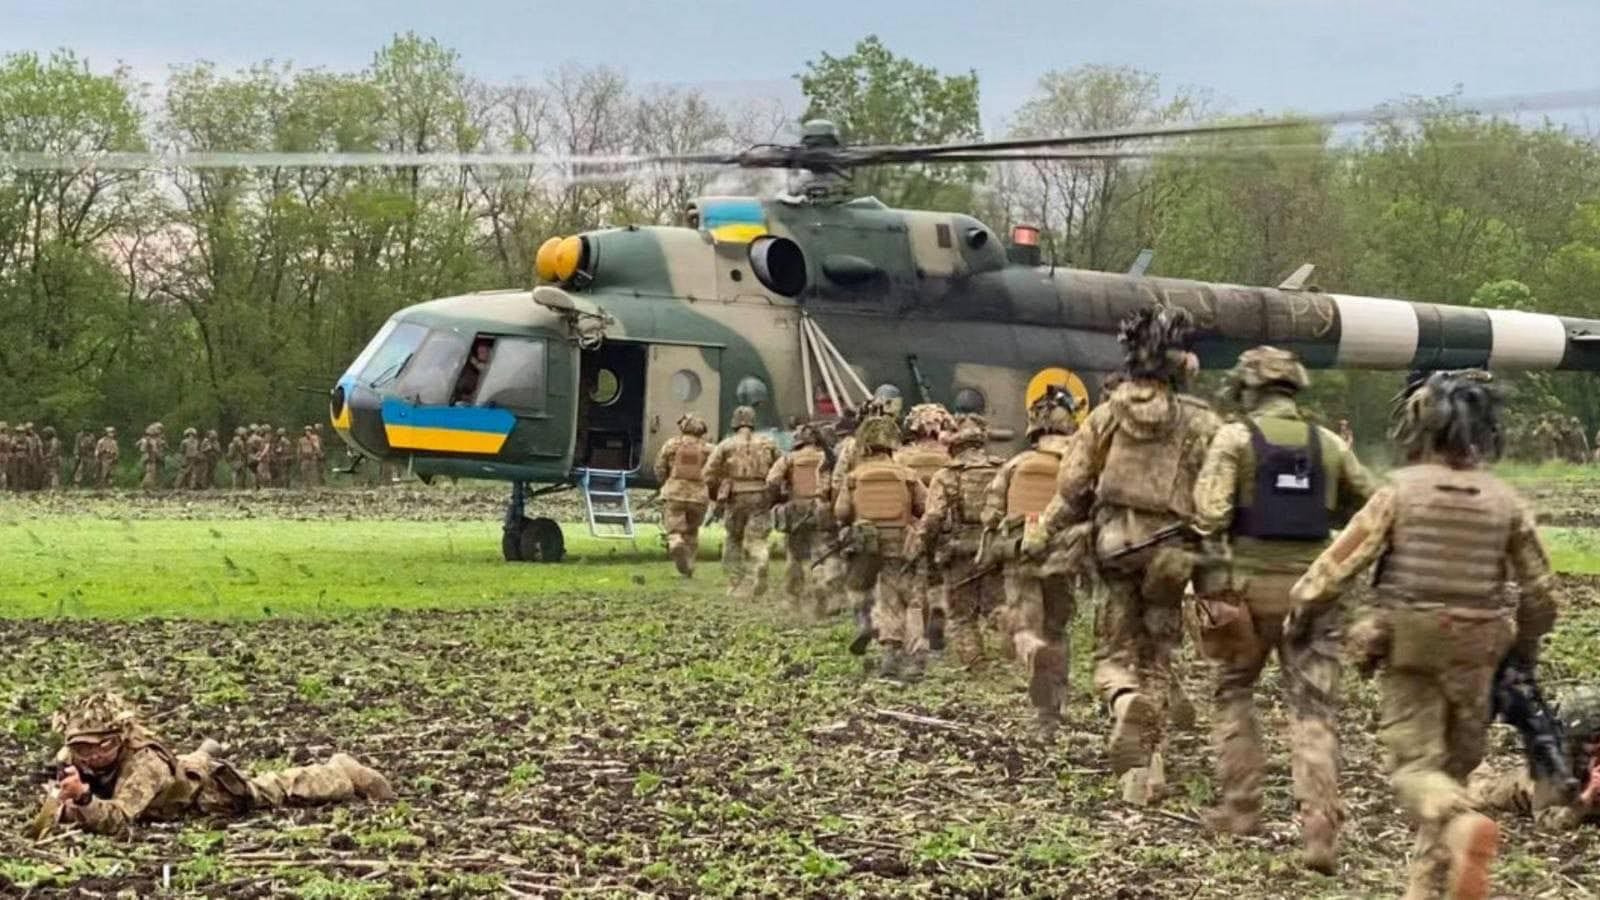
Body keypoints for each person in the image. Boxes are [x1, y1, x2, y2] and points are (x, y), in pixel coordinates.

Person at [1289, 369, 1555, 900]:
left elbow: (1339, 564)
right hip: (1482, 649)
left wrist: (1302, 608)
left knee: (1416, 769)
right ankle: (1429, 885)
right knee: (1453, 771)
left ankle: (1459, 827)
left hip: (1413, 642)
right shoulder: (1505, 502)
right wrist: (1519, 651)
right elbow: (1542, 593)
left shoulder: (1400, 493)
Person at [1190, 346, 1379, 872]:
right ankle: (1319, 827)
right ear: (1295, 389)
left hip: (1246, 594)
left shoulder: (1233, 439)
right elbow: (1371, 509)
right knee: (1313, 710)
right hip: (1316, 593)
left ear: (1248, 388)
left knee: (1233, 692)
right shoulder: (1330, 444)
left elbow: (1209, 516)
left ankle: (1241, 808)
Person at [1031, 306, 1220, 804]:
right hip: (1174, 556)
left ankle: (1124, 700)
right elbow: (1221, 497)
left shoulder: (1106, 416)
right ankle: (1147, 770)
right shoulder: (1203, 422)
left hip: (1116, 548)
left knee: (1114, 653)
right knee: (1157, 654)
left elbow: (1071, 487)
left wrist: (1042, 535)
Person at [37, 691, 394, 837]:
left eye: (104, 746)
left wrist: (83, 800)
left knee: (270, 790)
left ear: (121, 738)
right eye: (82, 749)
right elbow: (49, 810)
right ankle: (204, 752)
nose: (92, 757)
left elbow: (119, 820)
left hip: (204, 791)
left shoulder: (143, 762)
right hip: (177, 779)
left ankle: (341, 771)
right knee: (194, 761)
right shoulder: (74, 757)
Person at [983, 387, 1083, 727]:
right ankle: (1050, 710)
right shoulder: (1078, 466)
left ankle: (1032, 654)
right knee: (1057, 628)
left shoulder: (1016, 464)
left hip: (1020, 553)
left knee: (1026, 626)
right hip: (1063, 555)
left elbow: (991, 513)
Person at [834, 414, 928, 679]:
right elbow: (927, 507)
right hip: (901, 542)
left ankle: (887, 654)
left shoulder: (854, 476)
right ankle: (916, 651)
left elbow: (840, 512)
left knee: (872, 594)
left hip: (866, 544)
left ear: (864, 445)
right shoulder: (908, 475)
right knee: (908, 599)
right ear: (892, 445)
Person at [918, 414, 1005, 669]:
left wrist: (925, 547)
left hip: (960, 551)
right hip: (994, 547)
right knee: (998, 607)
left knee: (961, 615)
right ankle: (1023, 649)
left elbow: (933, 518)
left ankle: (976, 661)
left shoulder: (946, 475)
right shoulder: (1003, 469)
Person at [1468, 686, 1600, 832]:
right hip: (1514, 788)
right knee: (1480, 790)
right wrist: (1588, 795)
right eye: (1595, 739)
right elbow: (1547, 821)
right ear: (1577, 740)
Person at [896, 403, 955, 648]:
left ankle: (917, 638)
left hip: (914, 526)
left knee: (914, 585)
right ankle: (939, 612)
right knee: (939, 576)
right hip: (946, 526)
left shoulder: (901, 458)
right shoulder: (950, 457)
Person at [705, 406, 780, 599]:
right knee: (757, 538)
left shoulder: (725, 445)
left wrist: (717, 495)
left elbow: (708, 474)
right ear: (753, 422)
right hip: (761, 495)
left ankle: (735, 584)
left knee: (733, 538)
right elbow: (782, 468)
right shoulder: (768, 443)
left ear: (735, 423)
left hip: (735, 496)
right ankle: (760, 561)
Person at [767, 423, 831, 618]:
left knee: (794, 557)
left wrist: (778, 499)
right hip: (823, 510)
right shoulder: (827, 457)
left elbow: (772, 481)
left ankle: (792, 601)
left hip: (797, 510)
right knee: (820, 554)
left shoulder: (789, 458)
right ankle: (821, 585)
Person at [653, 414, 714, 577]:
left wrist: (664, 483)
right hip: (699, 496)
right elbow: (716, 471)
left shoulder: (671, 445)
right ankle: (689, 566)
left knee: (674, 529)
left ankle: (675, 542)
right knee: (692, 532)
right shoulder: (708, 449)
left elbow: (659, 467)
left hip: (675, 493)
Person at [136, 424, 166, 490]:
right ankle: (146, 486)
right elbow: (144, 448)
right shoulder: (148, 440)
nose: (159, 431)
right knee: (150, 472)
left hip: (155, 457)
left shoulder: (158, 439)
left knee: (156, 472)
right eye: (158, 429)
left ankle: (153, 486)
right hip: (150, 458)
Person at [41, 426, 62, 490]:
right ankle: (48, 486)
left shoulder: (54, 441)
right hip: (50, 459)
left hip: (54, 459)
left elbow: (53, 451)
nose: (44, 435)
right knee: (48, 473)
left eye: (46, 433)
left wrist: (46, 457)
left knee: (53, 473)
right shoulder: (48, 441)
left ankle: (54, 487)